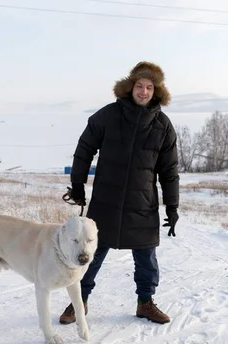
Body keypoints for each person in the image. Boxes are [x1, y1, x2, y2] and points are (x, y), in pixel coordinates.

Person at [60, 61, 180, 325]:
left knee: (146, 258)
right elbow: (84, 149)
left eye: (149, 87)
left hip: (142, 203)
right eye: (139, 86)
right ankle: (79, 303)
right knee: (90, 255)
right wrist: (78, 185)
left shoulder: (162, 125)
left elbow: (169, 171)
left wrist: (172, 206)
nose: (144, 92)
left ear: (156, 91)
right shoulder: (108, 116)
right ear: (130, 87)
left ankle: (145, 303)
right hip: (106, 202)